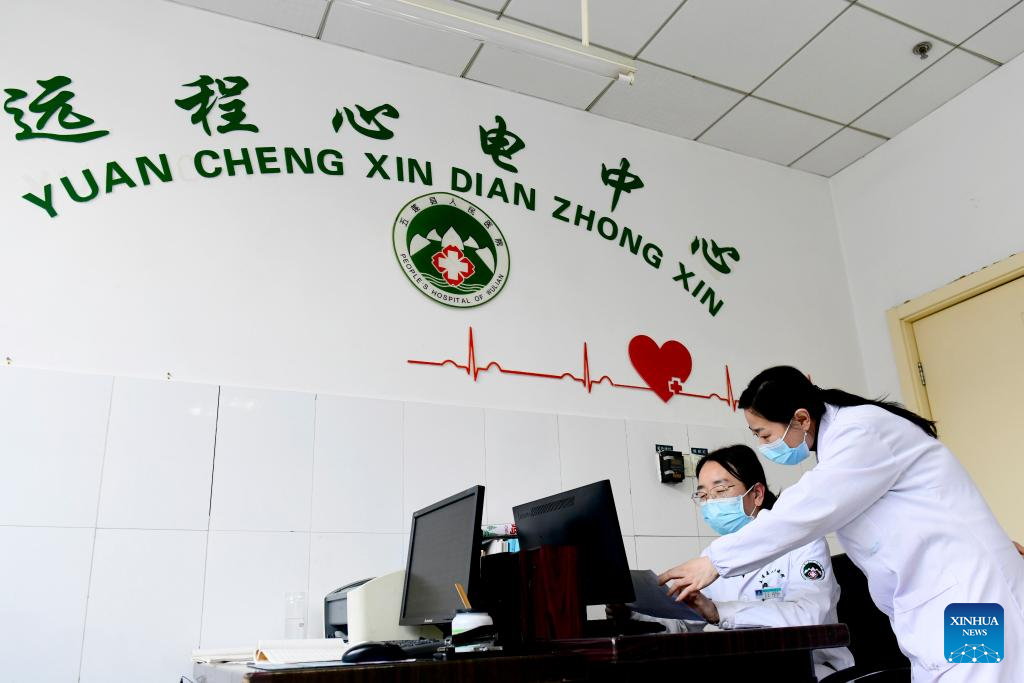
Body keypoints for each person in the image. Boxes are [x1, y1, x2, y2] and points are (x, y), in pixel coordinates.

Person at [659, 366, 1024, 682]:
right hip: (935, 605)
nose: (763, 445)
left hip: (969, 600)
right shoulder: (844, 440)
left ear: (802, 419)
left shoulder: (862, 431)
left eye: (765, 435)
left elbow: (807, 507)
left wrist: (715, 561)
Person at [614, 445, 854, 681]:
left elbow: (809, 619)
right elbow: (687, 625)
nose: (711, 503)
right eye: (703, 495)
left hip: (811, 669)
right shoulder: (713, 556)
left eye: (720, 490)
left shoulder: (802, 544)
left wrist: (719, 612)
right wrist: (632, 614)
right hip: (743, 667)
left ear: (756, 494)